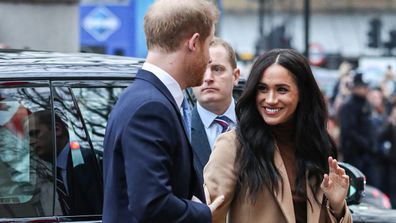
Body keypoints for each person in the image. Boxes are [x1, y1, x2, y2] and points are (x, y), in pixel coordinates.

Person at [102, 1, 223, 222]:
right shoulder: (150, 108)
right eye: (209, 44)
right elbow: (152, 204)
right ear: (194, 43)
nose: (210, 58)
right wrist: (204, 213)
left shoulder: (140, 98)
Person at [204, 49, 352, 223]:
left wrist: (337, 206)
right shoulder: (233, 146)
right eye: (263, 89)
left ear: (302, 94)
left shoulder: (318, 146)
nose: (271, 99)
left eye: (281, 90)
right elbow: (211, 215)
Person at [27, 110, 101, 216]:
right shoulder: (57, 169)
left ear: (57, 130)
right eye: (29, 137)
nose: (31, 141)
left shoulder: (87, 161)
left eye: (35, 133)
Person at [191, 37, 240, 184]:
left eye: (217, 69)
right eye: (199, 69)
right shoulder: (178, 127)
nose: (207, 78)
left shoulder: (258, 123)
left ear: (236, 76)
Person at [338, 72, 379, 186]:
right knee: (356, 186)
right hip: (355, 155)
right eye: (363, 87)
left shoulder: (366, 104)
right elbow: (348, 131)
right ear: (356, 87)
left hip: (368, 155)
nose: (366, 89)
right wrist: (365, 143)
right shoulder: (348, 106)